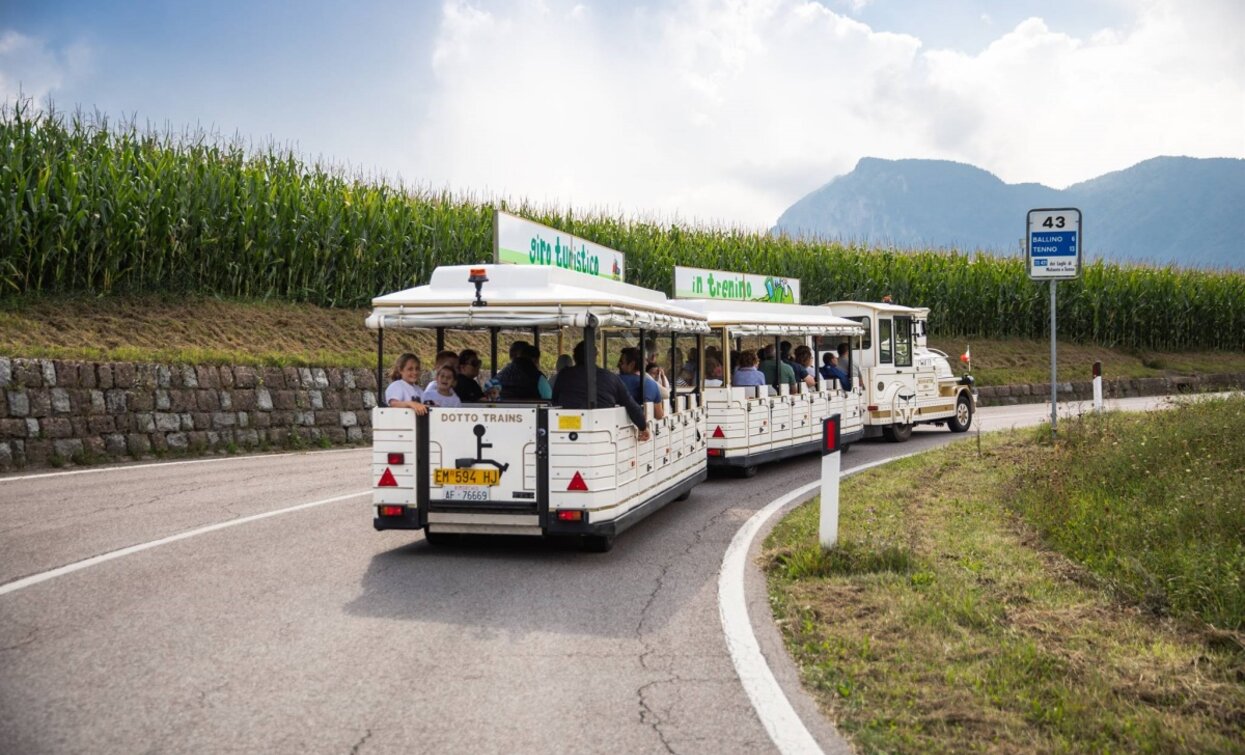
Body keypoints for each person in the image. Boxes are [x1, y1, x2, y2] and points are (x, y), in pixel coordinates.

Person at [551, 340, 650, 440]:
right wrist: (643, 427)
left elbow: (554, 401)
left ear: (574, 357)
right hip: (604, 433)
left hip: (567, 432)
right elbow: (631, 405)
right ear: (595, 357)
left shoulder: (564, 375)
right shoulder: (611, 378)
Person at [617, 347, 665, 419]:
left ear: (632, 365)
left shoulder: (613, 380)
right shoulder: (651, 384)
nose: (618, 365)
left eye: (622, 363)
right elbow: (659, 415)